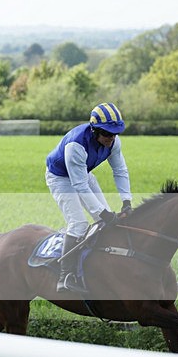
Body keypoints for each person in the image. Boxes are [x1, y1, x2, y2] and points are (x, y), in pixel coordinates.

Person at [45, 102, 133, 293]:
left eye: (115, 133)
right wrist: (104, 213)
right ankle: (65, 275)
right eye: (107, 134)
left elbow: (120, 170)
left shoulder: (114, 142)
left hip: (82, 174)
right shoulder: (76, 145)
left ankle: (100, 266)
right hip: (60, 178)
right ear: (95, 131)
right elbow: (78, 186)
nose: (112, 138)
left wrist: (126, 201)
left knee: (104, 220)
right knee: (79, 224)